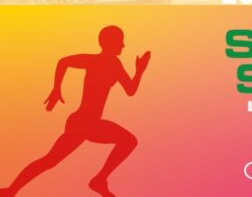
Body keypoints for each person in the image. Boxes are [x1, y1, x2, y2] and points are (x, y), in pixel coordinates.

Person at [0, 26, 149, 197]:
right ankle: (12, 190)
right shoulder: (97, 61)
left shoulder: (114, 64)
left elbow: (130, 90)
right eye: (120, 41)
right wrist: (56, 88)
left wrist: (139, 71)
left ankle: (99, 179)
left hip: (90, 123)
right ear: (109, 43)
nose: (123, 45)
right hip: (83, 122)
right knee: (50, 160)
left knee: (50, 160)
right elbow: (64, 62)